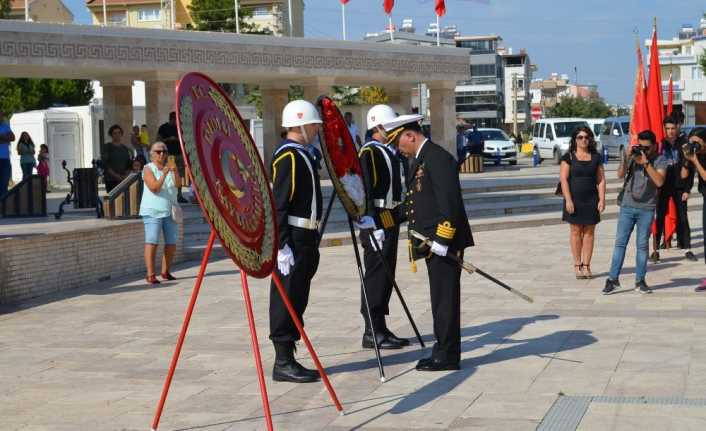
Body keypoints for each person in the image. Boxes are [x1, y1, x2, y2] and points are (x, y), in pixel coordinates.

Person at [381, 113, 474, 371]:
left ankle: (447, 356)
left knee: (445, 300)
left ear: (410, 136)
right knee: (439, 299)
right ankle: (441, 350)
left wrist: (443, 238)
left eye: (400, 144)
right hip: (431, 243)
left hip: (444, 243)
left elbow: (450, 203)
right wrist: (379, 221)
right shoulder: (421, 159)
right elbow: (413, 206)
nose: (400, 150)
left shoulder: (437, 158)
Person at [269, 100, 324, 383]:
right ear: (301, 123)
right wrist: (281, 245)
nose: (317, 130)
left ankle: (289, 355)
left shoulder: (303, 154)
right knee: (286, 297)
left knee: (297, 296)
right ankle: (283, 361)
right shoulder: (288, 157)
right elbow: (278, 205)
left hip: (306, 236)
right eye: (314, 124)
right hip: (293, 237)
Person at [357, 104, 409, 350]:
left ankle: (380, 325)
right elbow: (364, 188)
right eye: (389, 126)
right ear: (378, 126)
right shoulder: (369, 152)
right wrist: (368, 221)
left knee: (387, 270)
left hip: (389, 215)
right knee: (376, 273)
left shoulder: (388, 150)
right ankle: (371, 329)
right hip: (375, 217)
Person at [603, 130, 667, 295]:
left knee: (642, 246)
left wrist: (646, 163)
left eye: (647, 147)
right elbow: (619, 175)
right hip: (627, 206)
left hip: (646, 208)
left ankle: (640, 280)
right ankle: (612, 279)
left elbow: (659, 182)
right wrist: (627, 158)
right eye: (641, 146)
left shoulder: (660, 159)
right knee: (620, 244)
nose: (643, 150)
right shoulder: (634, 156)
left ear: (654, 146)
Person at [559, 127, 606, 279]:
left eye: (586, 137)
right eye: (580, 137)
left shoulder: (596, 157)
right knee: (575, 231)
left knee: (589, 233)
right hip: (574, 199)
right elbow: (564, 179)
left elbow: (601, 180)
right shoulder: (568, 157)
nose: (583, 140)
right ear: (575, 140)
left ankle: (587, 265)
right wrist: (568, 200)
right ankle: (577, 264)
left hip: (591, 199)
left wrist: (602, 199)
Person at [651, 116, 695, 262]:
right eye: (667, 129)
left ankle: (688, 248)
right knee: (660, 217)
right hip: (663, 186)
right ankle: (655, 249)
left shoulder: (684, 144)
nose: (670, 132)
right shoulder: (660, 144)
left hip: (679, 186)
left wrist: (687, 189)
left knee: (683, 217)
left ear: (677, 128)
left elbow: (691, 166)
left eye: (672, 128)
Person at [139, 141, 180, 285]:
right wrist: (164, 173)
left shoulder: (170, 168)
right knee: (152, 242)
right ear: (151, 154)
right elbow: (154, 187)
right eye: (158, 151)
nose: (162, 154)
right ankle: (150, 274)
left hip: (170, 210)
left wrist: (174, 171)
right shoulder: (147, 169)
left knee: (172, 243)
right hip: (153, 210)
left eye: (164, 151)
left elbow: (178, 185)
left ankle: (165, 271)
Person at [681, 127, 706, 290]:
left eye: (696, 142)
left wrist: (695, 160)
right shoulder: (697, 156)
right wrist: (687, 159)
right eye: (692, 142)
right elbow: (683, 175)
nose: (694, 145)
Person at [157, 112, 187, 203]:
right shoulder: (163, 128)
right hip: (169, 155)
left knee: (180, 175)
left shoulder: (180, 127)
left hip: (179, 154)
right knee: (170, 174)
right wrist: (168, 139)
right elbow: (158, 140)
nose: (176, 121)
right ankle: (170, 195)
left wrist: (176, 139)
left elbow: (184, 139)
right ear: (171, 119)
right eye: (174, 119)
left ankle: (179, 195)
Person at [102, 124, 132, 193]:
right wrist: (116, 176)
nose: (117, 135)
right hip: (111, 180)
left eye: (119, 133)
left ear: (121, 134)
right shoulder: (107, 147)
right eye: (115, 133)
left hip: (123, 179)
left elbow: (129, 164)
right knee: (112, 201)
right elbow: (105, 164)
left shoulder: (125, 149)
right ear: (111, 135)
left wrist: (125, 176)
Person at [0, 109, 15, 195]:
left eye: (2, 115)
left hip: (5, 158)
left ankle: (3, 205)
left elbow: (12, 137)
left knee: (4, 182)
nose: (1, 117)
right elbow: (8, 138)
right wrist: (5, 138)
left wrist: (2, 138)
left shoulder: (5, 125)